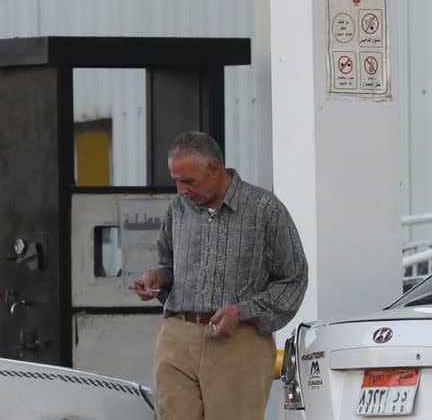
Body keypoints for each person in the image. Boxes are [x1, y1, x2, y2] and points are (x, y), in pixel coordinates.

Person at [132, 131, 308, 420]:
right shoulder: (178, 209)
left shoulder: (265, 209)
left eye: (188, 181)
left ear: (214, 168)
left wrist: (242, 312)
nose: (181, 190)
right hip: (177, 337)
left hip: (239, 342)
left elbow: (294, 279)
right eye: (176, 180)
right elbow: (170, 265)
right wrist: (157, 278)